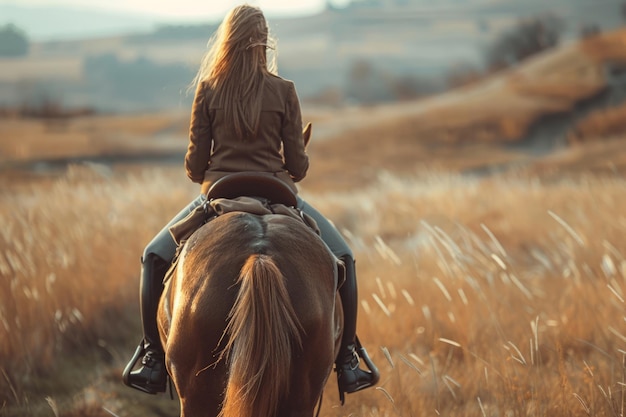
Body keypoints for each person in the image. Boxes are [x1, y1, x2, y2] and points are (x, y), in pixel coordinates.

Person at [122, 3, 379, 400]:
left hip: (219, 196)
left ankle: (153, 358)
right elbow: (297, 165)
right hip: (278, 194)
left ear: (226, 40)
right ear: (264, 44)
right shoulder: (284, 90)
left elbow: (194, 167)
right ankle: (347, 360)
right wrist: (294, 154)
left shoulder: (207, 90)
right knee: (343, 257)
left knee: (153, 258)